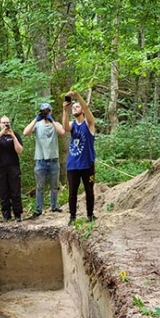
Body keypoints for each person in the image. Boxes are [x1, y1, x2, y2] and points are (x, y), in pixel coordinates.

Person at [23, 102, 65, 217]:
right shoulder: (37, 124)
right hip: (40, 160)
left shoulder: (55, 124)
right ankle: (38, 209)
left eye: (47, 111)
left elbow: (62, 132)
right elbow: (25, 132)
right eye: (43, 111)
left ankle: (54, 206)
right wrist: (36, 119)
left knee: (54, 186)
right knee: (39, 187)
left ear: (51, 112)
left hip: (53, 160)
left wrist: (52, 120)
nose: (45, 113)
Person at [62, 91, 96, 225]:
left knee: (89, 190)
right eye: (73, 107)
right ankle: (72, 217)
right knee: (72, 192)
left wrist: (77, 96)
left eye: (77, 106)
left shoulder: (89, 124)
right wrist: (65, 110)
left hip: (87, 164)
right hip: (73, 165)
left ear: (82, 110)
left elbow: (86, 108)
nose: (75, 108)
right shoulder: (72, 124)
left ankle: (90, 215)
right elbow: (65, 128)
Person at [0, 115, 24, 222]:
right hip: (0, 167)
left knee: (15, 192)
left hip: (13, 167)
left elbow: (20, 150)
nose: (5, 125)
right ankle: (6, 215)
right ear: (0, 124)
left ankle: (18, 214)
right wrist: (1, 133)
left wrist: (13, 136)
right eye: (3, 123)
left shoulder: (14, 134)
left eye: (7, 123)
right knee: (3, 192)